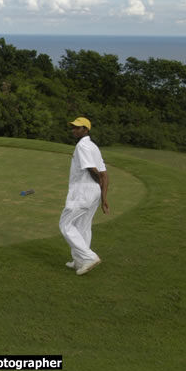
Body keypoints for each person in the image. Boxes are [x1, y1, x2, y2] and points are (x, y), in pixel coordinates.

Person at [59, 117, 109, 276]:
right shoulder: (93, 147)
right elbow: (105, 174)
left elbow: (94, 171)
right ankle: (79, 261)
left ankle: (89, 257)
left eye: (78, 128)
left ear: (86, 130)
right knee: (82, 226)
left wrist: (98, 184)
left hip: (83, 191)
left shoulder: (82, 146)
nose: (74, 130)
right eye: (73, 127)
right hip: (93, 192)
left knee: (65, 224)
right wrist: (103, 196)